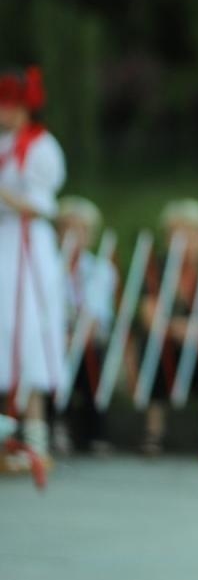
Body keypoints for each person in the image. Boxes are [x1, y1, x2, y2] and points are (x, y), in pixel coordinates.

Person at [0, 66, 66, 474]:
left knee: (28, 330)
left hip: (26, 244)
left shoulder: (41, 147)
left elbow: (41, 204)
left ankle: (37, 438)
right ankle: (8, 437)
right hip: (2, 243)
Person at [134, 198, 198, 455]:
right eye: (178, 232)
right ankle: (153, 432)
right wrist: (176, 328)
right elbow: (148, 314)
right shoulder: (157, 269)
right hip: (168, 338)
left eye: (191, 232)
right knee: (152, 348)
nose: (185, 239)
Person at [54, 195, 117, 454]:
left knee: (93, 357)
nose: (74, 234)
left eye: (81, 229)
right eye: (68, 227)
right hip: (55, 334)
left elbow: (98, 312)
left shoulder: (100, 268)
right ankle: (56, 425)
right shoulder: (49, 265)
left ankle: (94, 432)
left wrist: (77, 337)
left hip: (87, 334)